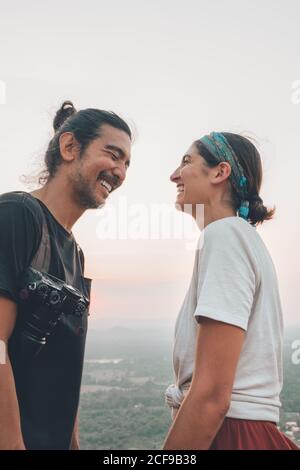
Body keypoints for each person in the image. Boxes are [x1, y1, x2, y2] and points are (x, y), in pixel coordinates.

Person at [0, 101, 132, 450]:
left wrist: (72, 442)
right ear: (70, 147)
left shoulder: (76, 254)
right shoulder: (17, 216)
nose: (119, 172)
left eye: (126, 164)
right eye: (113, 154)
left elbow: (64, 364)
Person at [164, 132, 299, 450]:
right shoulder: (241, 238)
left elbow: (211, 395)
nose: (173, 175)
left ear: (219, 172)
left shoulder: (224, 235)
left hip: (230, 434)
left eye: (186, 161)